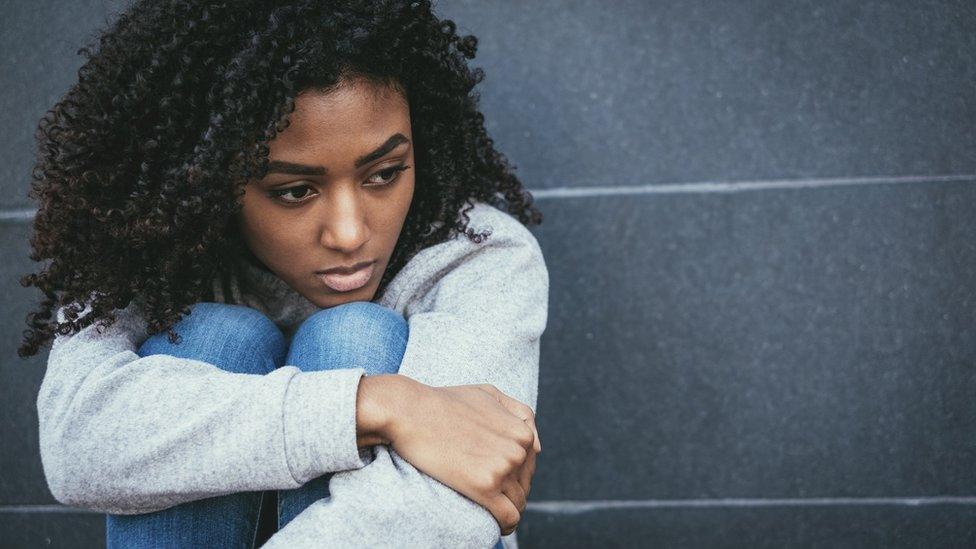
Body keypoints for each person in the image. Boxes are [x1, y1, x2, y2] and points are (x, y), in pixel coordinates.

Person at [19, 1, 548, 547]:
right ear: (210, 177)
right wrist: (375, 404)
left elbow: (445, 504)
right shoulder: (148, 251)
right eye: (294, 191)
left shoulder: (477, 252)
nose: (348, 233)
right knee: (213, 337)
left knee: (352, 335)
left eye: (385, 174)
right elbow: (77, 446)